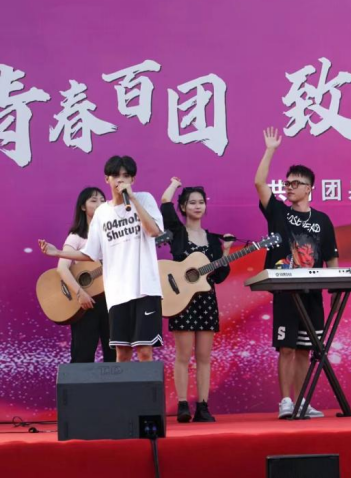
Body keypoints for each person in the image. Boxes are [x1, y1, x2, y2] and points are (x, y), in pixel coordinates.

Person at [40, 155, 164, 362]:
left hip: (145, 289)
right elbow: (90, 253)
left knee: (144, 351)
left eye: (126, 175)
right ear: (107, 179)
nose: (120, 180)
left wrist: (132, 199)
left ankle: (143, 386)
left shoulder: (145, 199)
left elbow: (154, 231)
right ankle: (123, 386)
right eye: (115, 175)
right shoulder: (102, 213)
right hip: (117, 293)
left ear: (133, 179)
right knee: (121, 353)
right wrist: (58, 252)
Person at [255, 127, 339, 419]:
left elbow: (331, 257)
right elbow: (259, 182)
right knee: (287, 348)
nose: (289, 187)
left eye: (295, 183)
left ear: (309, 188)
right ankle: (286, 402)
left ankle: (303, 401)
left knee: (306, 349)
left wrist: (336, 286)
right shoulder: (279, 212)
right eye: (287, 183)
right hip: (286, 292)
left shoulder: (323, 220)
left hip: (312, 293)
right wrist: (270, 150)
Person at [161, 177, 233, 422]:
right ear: (183, 207)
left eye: (201, 202)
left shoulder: (213, 239)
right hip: (181, 300)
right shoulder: (178, 233)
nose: (197, 206)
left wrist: (226, 252)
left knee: (204, 357)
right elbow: (165, 203)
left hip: (206, 301)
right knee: (183, 356)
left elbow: (219, 276)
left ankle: (203, 406)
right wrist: (174, 184)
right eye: (192, 202)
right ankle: (183, 404)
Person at [57, 187, 116, 364]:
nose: (99, 204)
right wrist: (79, 293)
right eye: (93, 200)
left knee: (115, 356)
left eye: (102, 200)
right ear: (83, 207)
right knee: (82, 356)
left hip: (112, 300)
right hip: (85, 303)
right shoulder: (76, 237)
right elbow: (62, 268)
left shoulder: (113, 233)